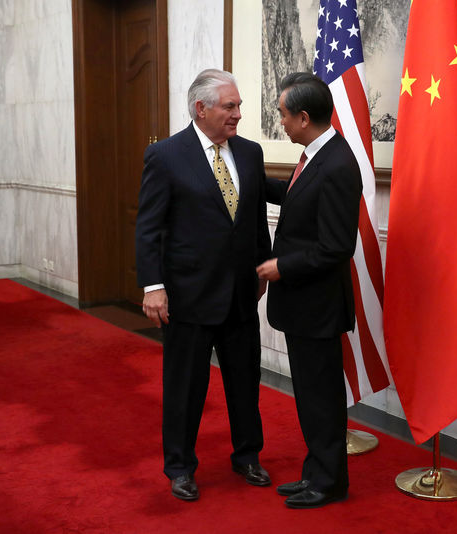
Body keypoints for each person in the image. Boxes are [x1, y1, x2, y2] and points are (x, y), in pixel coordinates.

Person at [135, 68, 272, 501]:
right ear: (202, 108)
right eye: (230, 106)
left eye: (238, 106)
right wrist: (152, 285)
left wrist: (263, 264)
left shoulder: (249, 153)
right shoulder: (166, 156)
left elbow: (252, 219)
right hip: (188, 296)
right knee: (185, 387)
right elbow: (149, 227)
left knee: (245, 380)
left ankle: (247, 455)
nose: (238, 114)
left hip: (240, 294)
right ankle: (179, 466)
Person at [256, 72, 362, 509]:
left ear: (303, 117)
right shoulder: (315, 155)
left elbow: (338, 246)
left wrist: (283, 266)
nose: (279, 121)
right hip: (303, 307)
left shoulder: (337, 163)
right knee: (312, 396)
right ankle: (316, 473)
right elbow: (296, 196)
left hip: (316, 307)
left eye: (282, 114)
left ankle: (329, 483)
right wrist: (247, 175)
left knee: (321, 400)